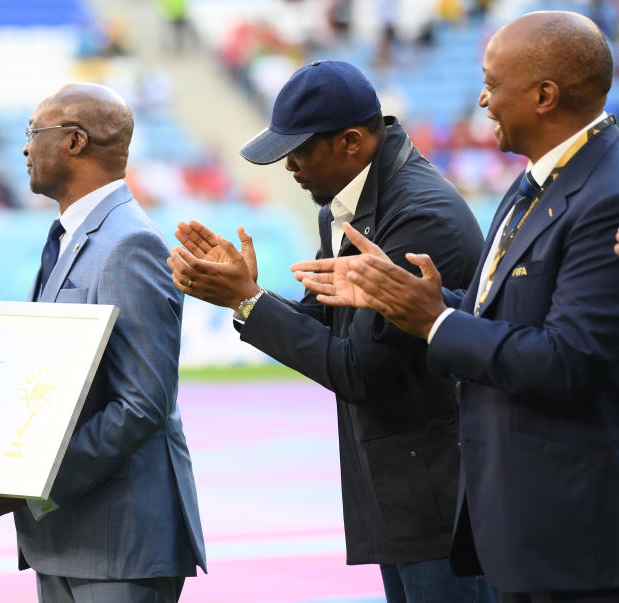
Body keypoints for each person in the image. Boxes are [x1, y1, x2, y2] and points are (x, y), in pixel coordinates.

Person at [295, 12, 619, 601]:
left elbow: (570, 359)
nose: (482, 99)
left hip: (573, 531)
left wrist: (434, 320)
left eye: (493, 84)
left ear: (544, 96)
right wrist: (398, 293)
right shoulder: (534, 185)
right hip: (520, 518)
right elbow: (495, 316)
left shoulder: (605, 195)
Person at [167, 60, 493, 602]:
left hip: (442, 497)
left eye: (299, 150)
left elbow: (357, 370)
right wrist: (250, 292)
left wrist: (246, 303)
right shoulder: (349, 202)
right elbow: (328, 319)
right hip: (405, 488)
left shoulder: (418, 217)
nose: (289, 165)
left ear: (350, 142)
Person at [0, 83, 206, 602]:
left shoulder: (128, 243)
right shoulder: (74, 237)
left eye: (32, 134)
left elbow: (141, 405)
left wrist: (28, 481)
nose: (23, 149)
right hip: (72, 541)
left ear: (73, 142)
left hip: (117, 545)